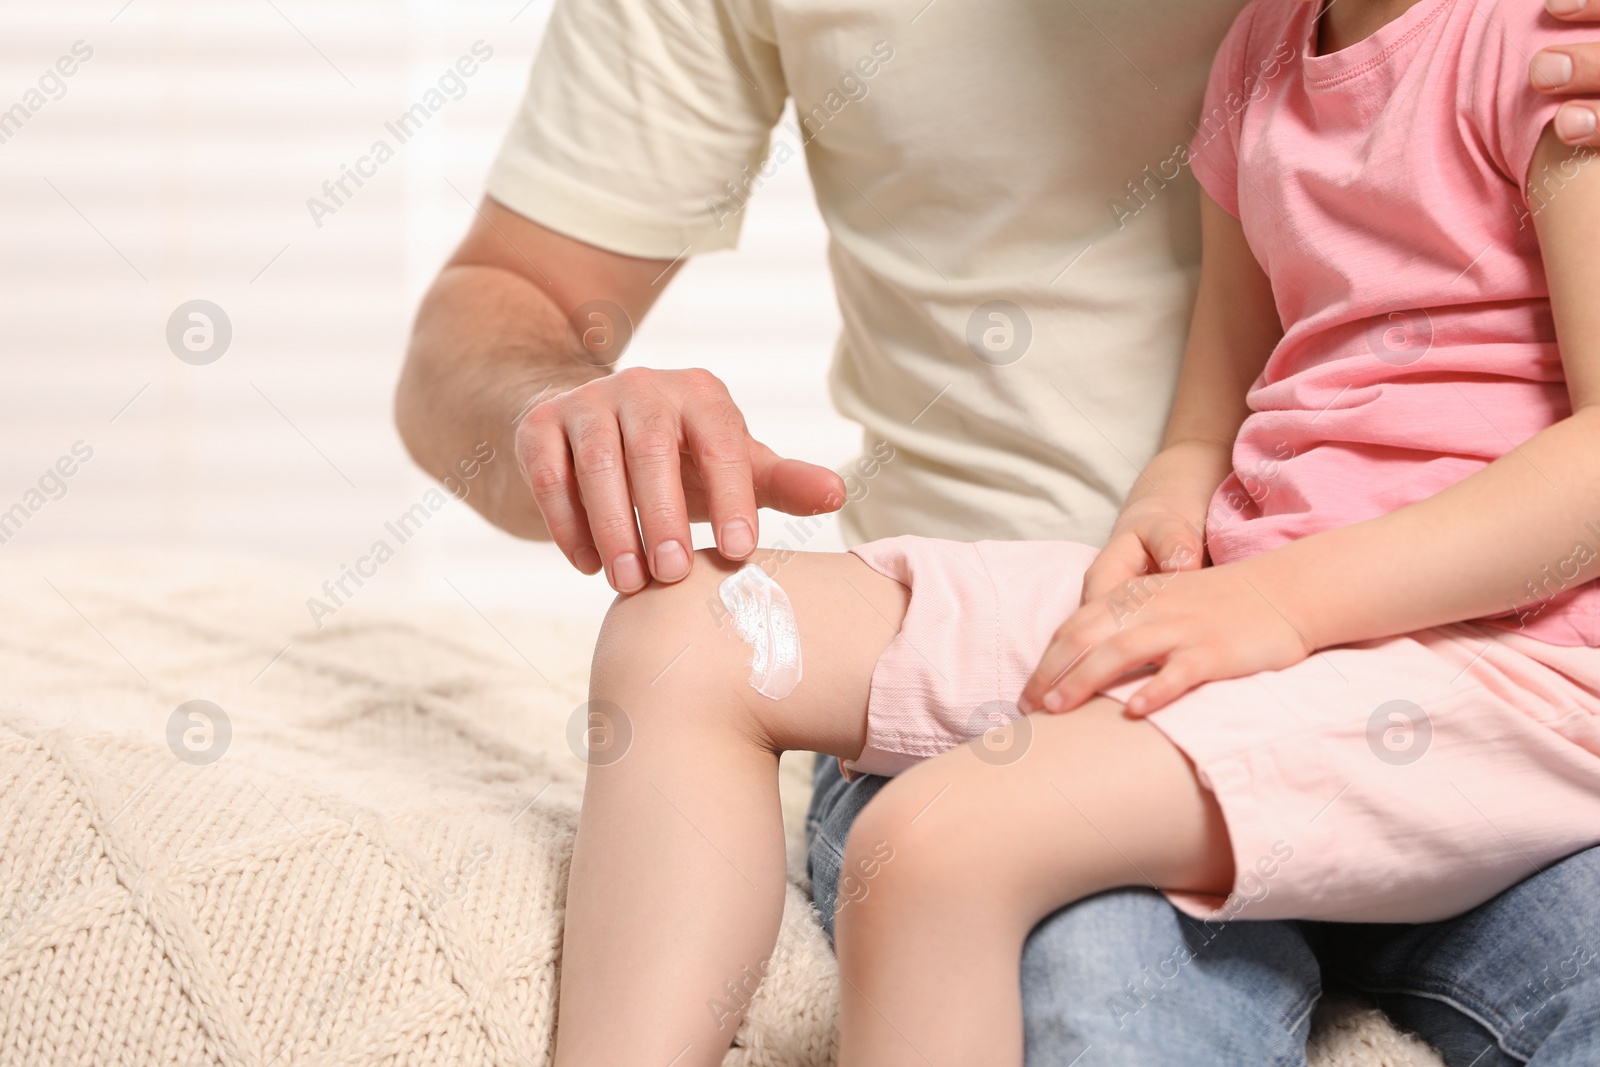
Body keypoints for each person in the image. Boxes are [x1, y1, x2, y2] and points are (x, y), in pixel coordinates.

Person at [395, 1, 1600, 1062]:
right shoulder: (1261, 57)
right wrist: (1168, 524)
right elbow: (1216, 415)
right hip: (1236, 602)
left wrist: (1276, 606)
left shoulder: (1550, 47)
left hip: (1478, 647)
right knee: (691, 632)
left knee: (939, 847)